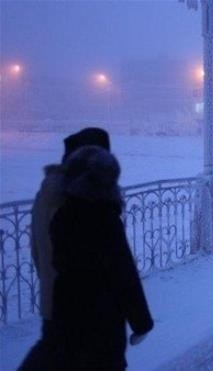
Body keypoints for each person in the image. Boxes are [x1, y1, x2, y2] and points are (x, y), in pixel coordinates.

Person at [48, 144, 153, 370]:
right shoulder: (105, 220)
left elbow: (57, 263)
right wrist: (141, 322)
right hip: (103, 320)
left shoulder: (62, 216)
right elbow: (124, 274)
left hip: (67, 316)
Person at [20, 127, 112, 370]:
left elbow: (37, 249)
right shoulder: (78, 198)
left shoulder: (48, 191)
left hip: (56, 299)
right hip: (79, 304)